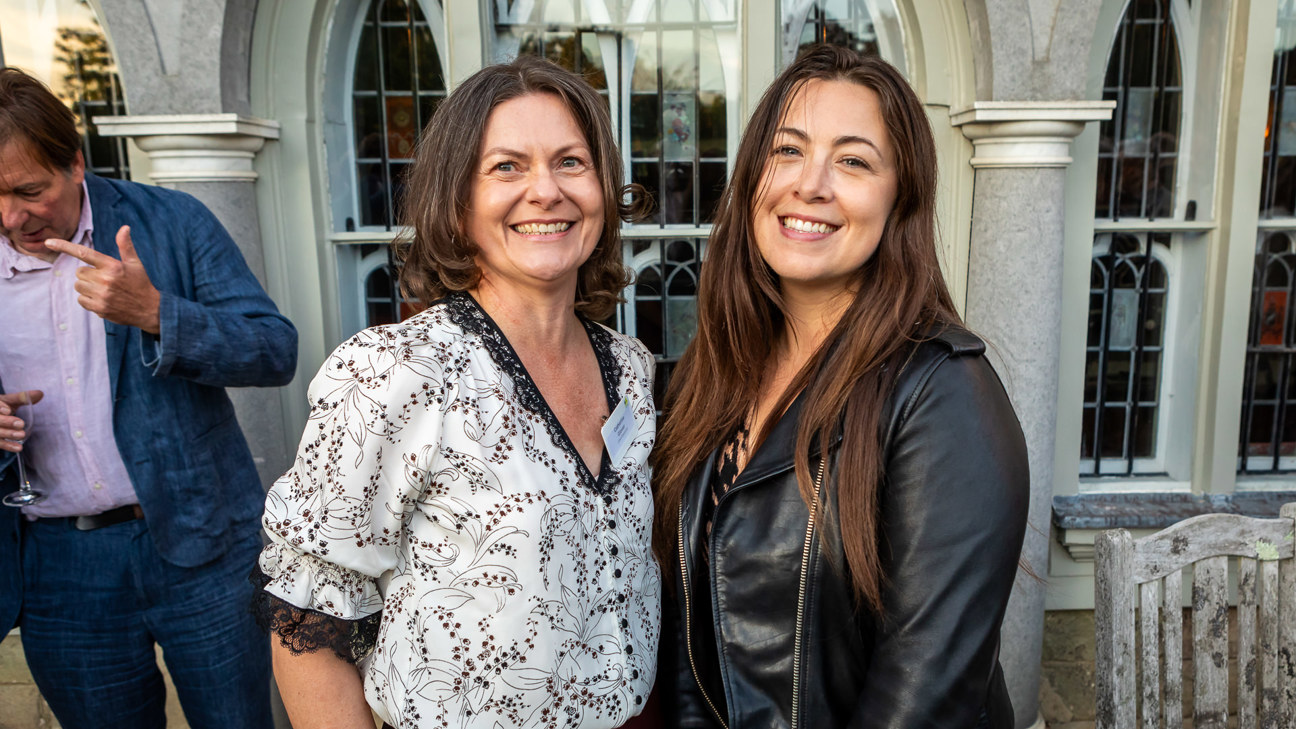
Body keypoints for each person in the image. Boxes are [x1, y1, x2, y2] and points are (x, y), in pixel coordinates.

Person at [255, 56, 660, 729]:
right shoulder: (396, 372)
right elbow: (308, 624)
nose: (546, 191)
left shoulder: (630, 367)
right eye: (507, 167)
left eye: (571, 162)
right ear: (458, 199)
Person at [652, 45, 1030, 729]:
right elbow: (691, 650)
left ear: (900, 200)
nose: (811, 184)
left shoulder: (943, 395)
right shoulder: (709, 381)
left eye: (853, 161)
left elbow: (923, 700)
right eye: (788, 151)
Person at [0, 67, 296, 728]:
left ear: (75, 162)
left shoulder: (172, 222)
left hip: (203, 546)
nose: (9, 216)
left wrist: (161, 314)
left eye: (28, 190)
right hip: (58, 565)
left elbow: (274, 348)